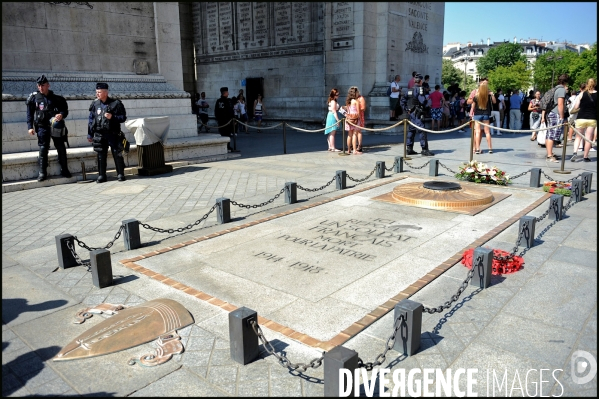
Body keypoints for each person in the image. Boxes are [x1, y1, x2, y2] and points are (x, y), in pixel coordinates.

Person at [26, 74, 72, 181]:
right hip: (42, 127)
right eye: (39, 86)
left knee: (61, 147)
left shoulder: (56, 99)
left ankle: (64, 169)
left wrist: (61, 115)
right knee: (43, 148)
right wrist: (30, 127)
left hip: (55, 127)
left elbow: (64, 110)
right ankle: (42, 172)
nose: (41, 88)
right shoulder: (34, 99)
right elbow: (29, 114)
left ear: (48, 85)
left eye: (43, 85)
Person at [87, 82, 127, 183]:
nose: (97, 94)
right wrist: (90, 134)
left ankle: (120, 174)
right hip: (99, 134)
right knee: (101, 154)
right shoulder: (95, 104)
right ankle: (101, 175)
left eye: (99, 92)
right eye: (96, 92)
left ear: (105, 92)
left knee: (116, 153)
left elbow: (123, 118)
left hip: (112, 133)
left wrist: (112, 117)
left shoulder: (116, 103)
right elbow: (91, 120)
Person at [542, 74, 569, 163]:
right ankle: (550, 155)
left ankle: (549, 153)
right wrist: (561, 116)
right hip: (555, 114)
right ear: (566, 82)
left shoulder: (555, 88)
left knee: (549, 134)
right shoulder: (561, 90)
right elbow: (560, 104)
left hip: (551, 113)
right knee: (552, 135)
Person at [406, 74, 434, 156]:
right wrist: (426, 103)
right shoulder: (420, 89)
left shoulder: (409, 90)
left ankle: (409, 148)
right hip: (418, 113)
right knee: (422, 131)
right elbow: (422, 101)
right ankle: (424, 149)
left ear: (414, 81)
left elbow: (403, 100)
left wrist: (407, 109)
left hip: (411, 113)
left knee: (411, 131)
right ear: (421, 81)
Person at [570, 78, 596, 162]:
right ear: (595, 84)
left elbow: (576, 106)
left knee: (578, 137)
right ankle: (585, 156)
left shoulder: (581, 94)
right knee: (588, 138)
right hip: (592, 118)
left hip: (581, 117)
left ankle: (575, 153)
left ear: (587, 84)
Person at [467, 83, 496, 154]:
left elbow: (473, 106)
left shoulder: (476, 96)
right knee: (487, 132)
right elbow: (494, 102)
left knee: (477, 132)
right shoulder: (488, 96)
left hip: (477, 114)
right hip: (486, 114)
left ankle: (477, 149)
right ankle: (490, 148)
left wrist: (471, 114)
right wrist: (492, 94)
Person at [215, 87, 235, 152]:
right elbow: (229, 111)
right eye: (227, 92)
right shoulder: (223, 101)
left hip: (225, 121)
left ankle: (227, 146)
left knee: (227, 134)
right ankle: (226, 146)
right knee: (225, 134)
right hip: (225, 121)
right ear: (225, 93)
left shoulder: (222, 101)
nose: (228, 93)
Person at [344, 86, 362, 155]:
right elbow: (358, 112)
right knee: (355, 134)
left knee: (349, 135)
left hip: (348, 118)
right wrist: (360, 119)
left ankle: (348, 149)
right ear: (355, 93)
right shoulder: (356, 101)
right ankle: (354, 150)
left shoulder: (348, 101)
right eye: (357, 92)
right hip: (355, 119)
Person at [356, 87, 366, 152]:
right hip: (353, 116)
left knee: (358, 131)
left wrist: (357, 109)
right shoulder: (353, 98)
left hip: (359, 115)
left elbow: (363, 108)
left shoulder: (361, 98)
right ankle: (353, 145)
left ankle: (359, 145)